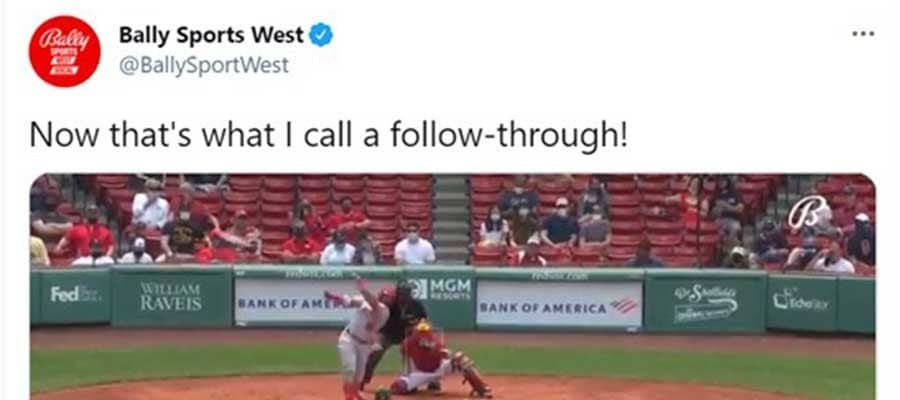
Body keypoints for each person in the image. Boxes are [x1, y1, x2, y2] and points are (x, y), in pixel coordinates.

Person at [323, 276, 394, 400]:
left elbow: (374, 305)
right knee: (349, 368)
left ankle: (355, 393)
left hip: (364, 345)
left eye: (389, 298)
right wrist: (334, 297)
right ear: (380, 296)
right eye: (385, 297)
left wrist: (363, 290)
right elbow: (349, 301)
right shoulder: (364, 301)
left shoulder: (385, 311)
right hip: (349, 339)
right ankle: (349, 396)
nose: (386, 300)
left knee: (359, 375)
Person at [388, 320, 493, 398]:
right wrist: (407, 375)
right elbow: (405, 357)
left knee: (461, 360)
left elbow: (446, 354)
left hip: (440, 368)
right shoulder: (408, 343)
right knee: (398, 387)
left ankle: (481, 388)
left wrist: (451, 355)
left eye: (425, 331)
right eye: (421, 332)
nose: (423, 334)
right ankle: (430, 383)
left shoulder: (436, 343)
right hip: (421, 373)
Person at [362, 282, 429, 390]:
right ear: (397, 294)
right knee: (376, 350)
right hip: (388, 333)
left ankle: (411, 381)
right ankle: (363, 378)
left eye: (406, 294)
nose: (403, 297)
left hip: (408, 335)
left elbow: (424, 321)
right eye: (401, 294)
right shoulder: (390, 304)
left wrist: (419, 330)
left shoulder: (416, 305)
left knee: (421, 350)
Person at [711, 175, 744, 240]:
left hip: (733, 220)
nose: (721, 182)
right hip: (720, 219)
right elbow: (712, 213)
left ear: (727, 181)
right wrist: (716, 210)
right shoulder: (715, 195)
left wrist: (726, 206)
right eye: (719, 180)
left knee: (735, 228)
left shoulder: (735, 193)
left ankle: (729, 243)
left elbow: (740, 209)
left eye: (723, 180)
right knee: (715, 229)